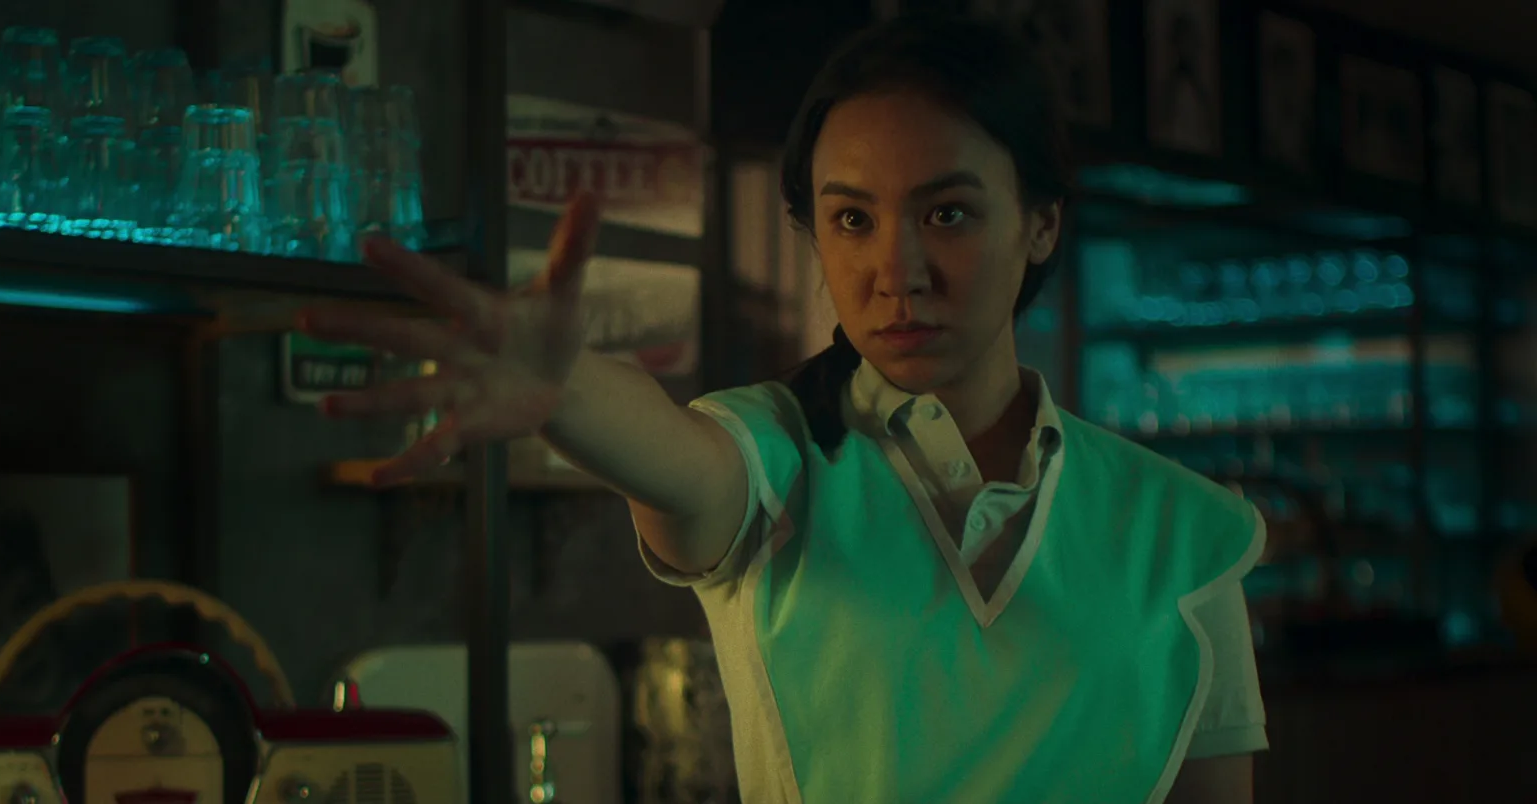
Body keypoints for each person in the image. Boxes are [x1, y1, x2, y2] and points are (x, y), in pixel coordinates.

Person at [299, 13, 1266, 804]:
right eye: (852, 219)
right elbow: (681, 458)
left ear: (1042, 223)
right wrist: (569, 391)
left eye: (947, 213)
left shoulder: (1184, 530)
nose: (896, 270)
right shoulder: (782, 451)